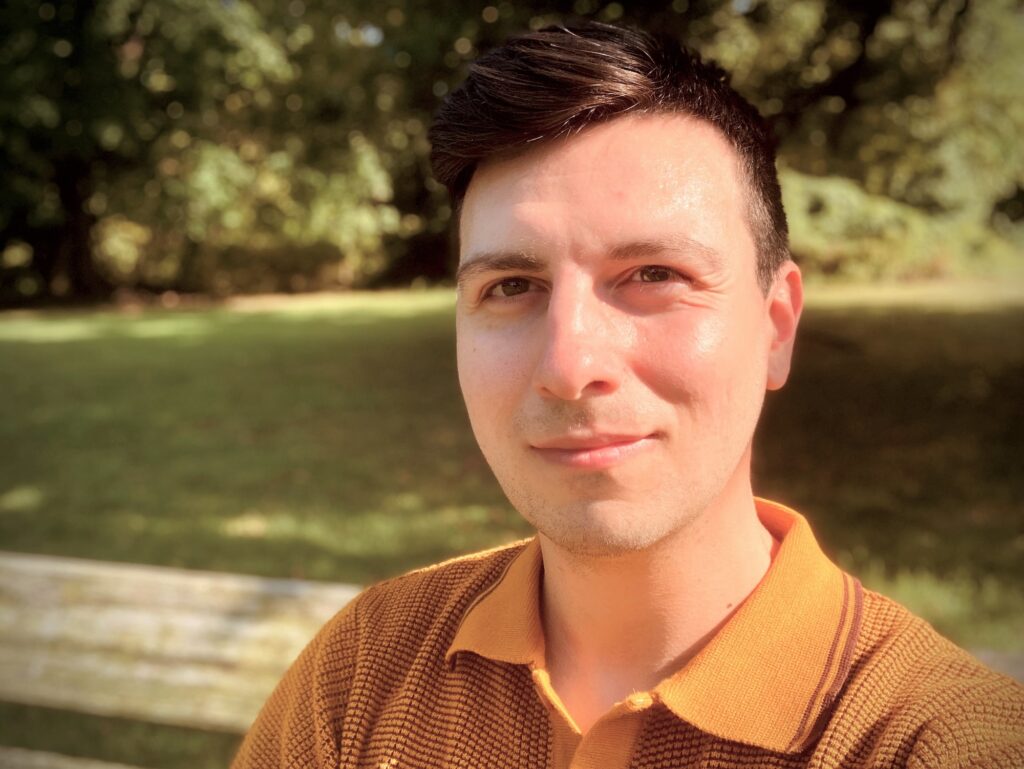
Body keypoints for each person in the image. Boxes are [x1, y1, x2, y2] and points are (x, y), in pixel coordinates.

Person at [232, 22, 1023, 769]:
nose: (569, 365)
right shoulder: (365, 671)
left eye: (654, 276)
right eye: (512, 284)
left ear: (776, 327)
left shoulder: (945, 743)